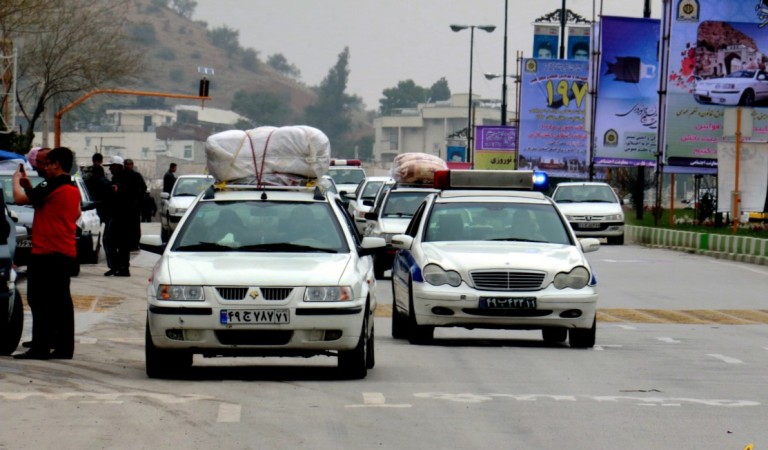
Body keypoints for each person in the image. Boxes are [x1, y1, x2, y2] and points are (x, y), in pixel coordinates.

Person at [12, 147, 80, 360]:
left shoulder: (50, 183)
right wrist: (30, 187)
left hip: (46, 251)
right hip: (65, 251)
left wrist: (16, 180)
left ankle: (40, 347)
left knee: (39, 300)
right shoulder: (71, 187)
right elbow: (41, 200)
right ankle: (64, 347)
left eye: (48, 164)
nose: (45, 168)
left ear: (56, 164)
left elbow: (20, 199)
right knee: (61, 302)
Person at [102, 156, 133, 277]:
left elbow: (122, 192)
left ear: (117, 166)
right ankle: (119, 267)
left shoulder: (123, 178)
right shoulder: (119, 177)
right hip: (119, 214)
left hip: (121, 215)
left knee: (111, 240)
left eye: (112, 166)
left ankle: (120, 267)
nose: (110, 169)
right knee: (119, 242)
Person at [124, 159, 147, 250]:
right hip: (124, 206)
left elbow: (143, 188)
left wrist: (138, 199)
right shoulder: (122, 175)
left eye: (129, 164)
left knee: (134, 226)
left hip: (134, 206)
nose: (128, 166)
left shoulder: (137, 176)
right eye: (126, 164)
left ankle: (134, 244)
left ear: (132, 165)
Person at [84, 153, 111, 224]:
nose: (97, 163)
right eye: (96, 161)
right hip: (91, 198)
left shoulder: (100, 170)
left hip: (98, 199)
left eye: (98, 161)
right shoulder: (88, 170)